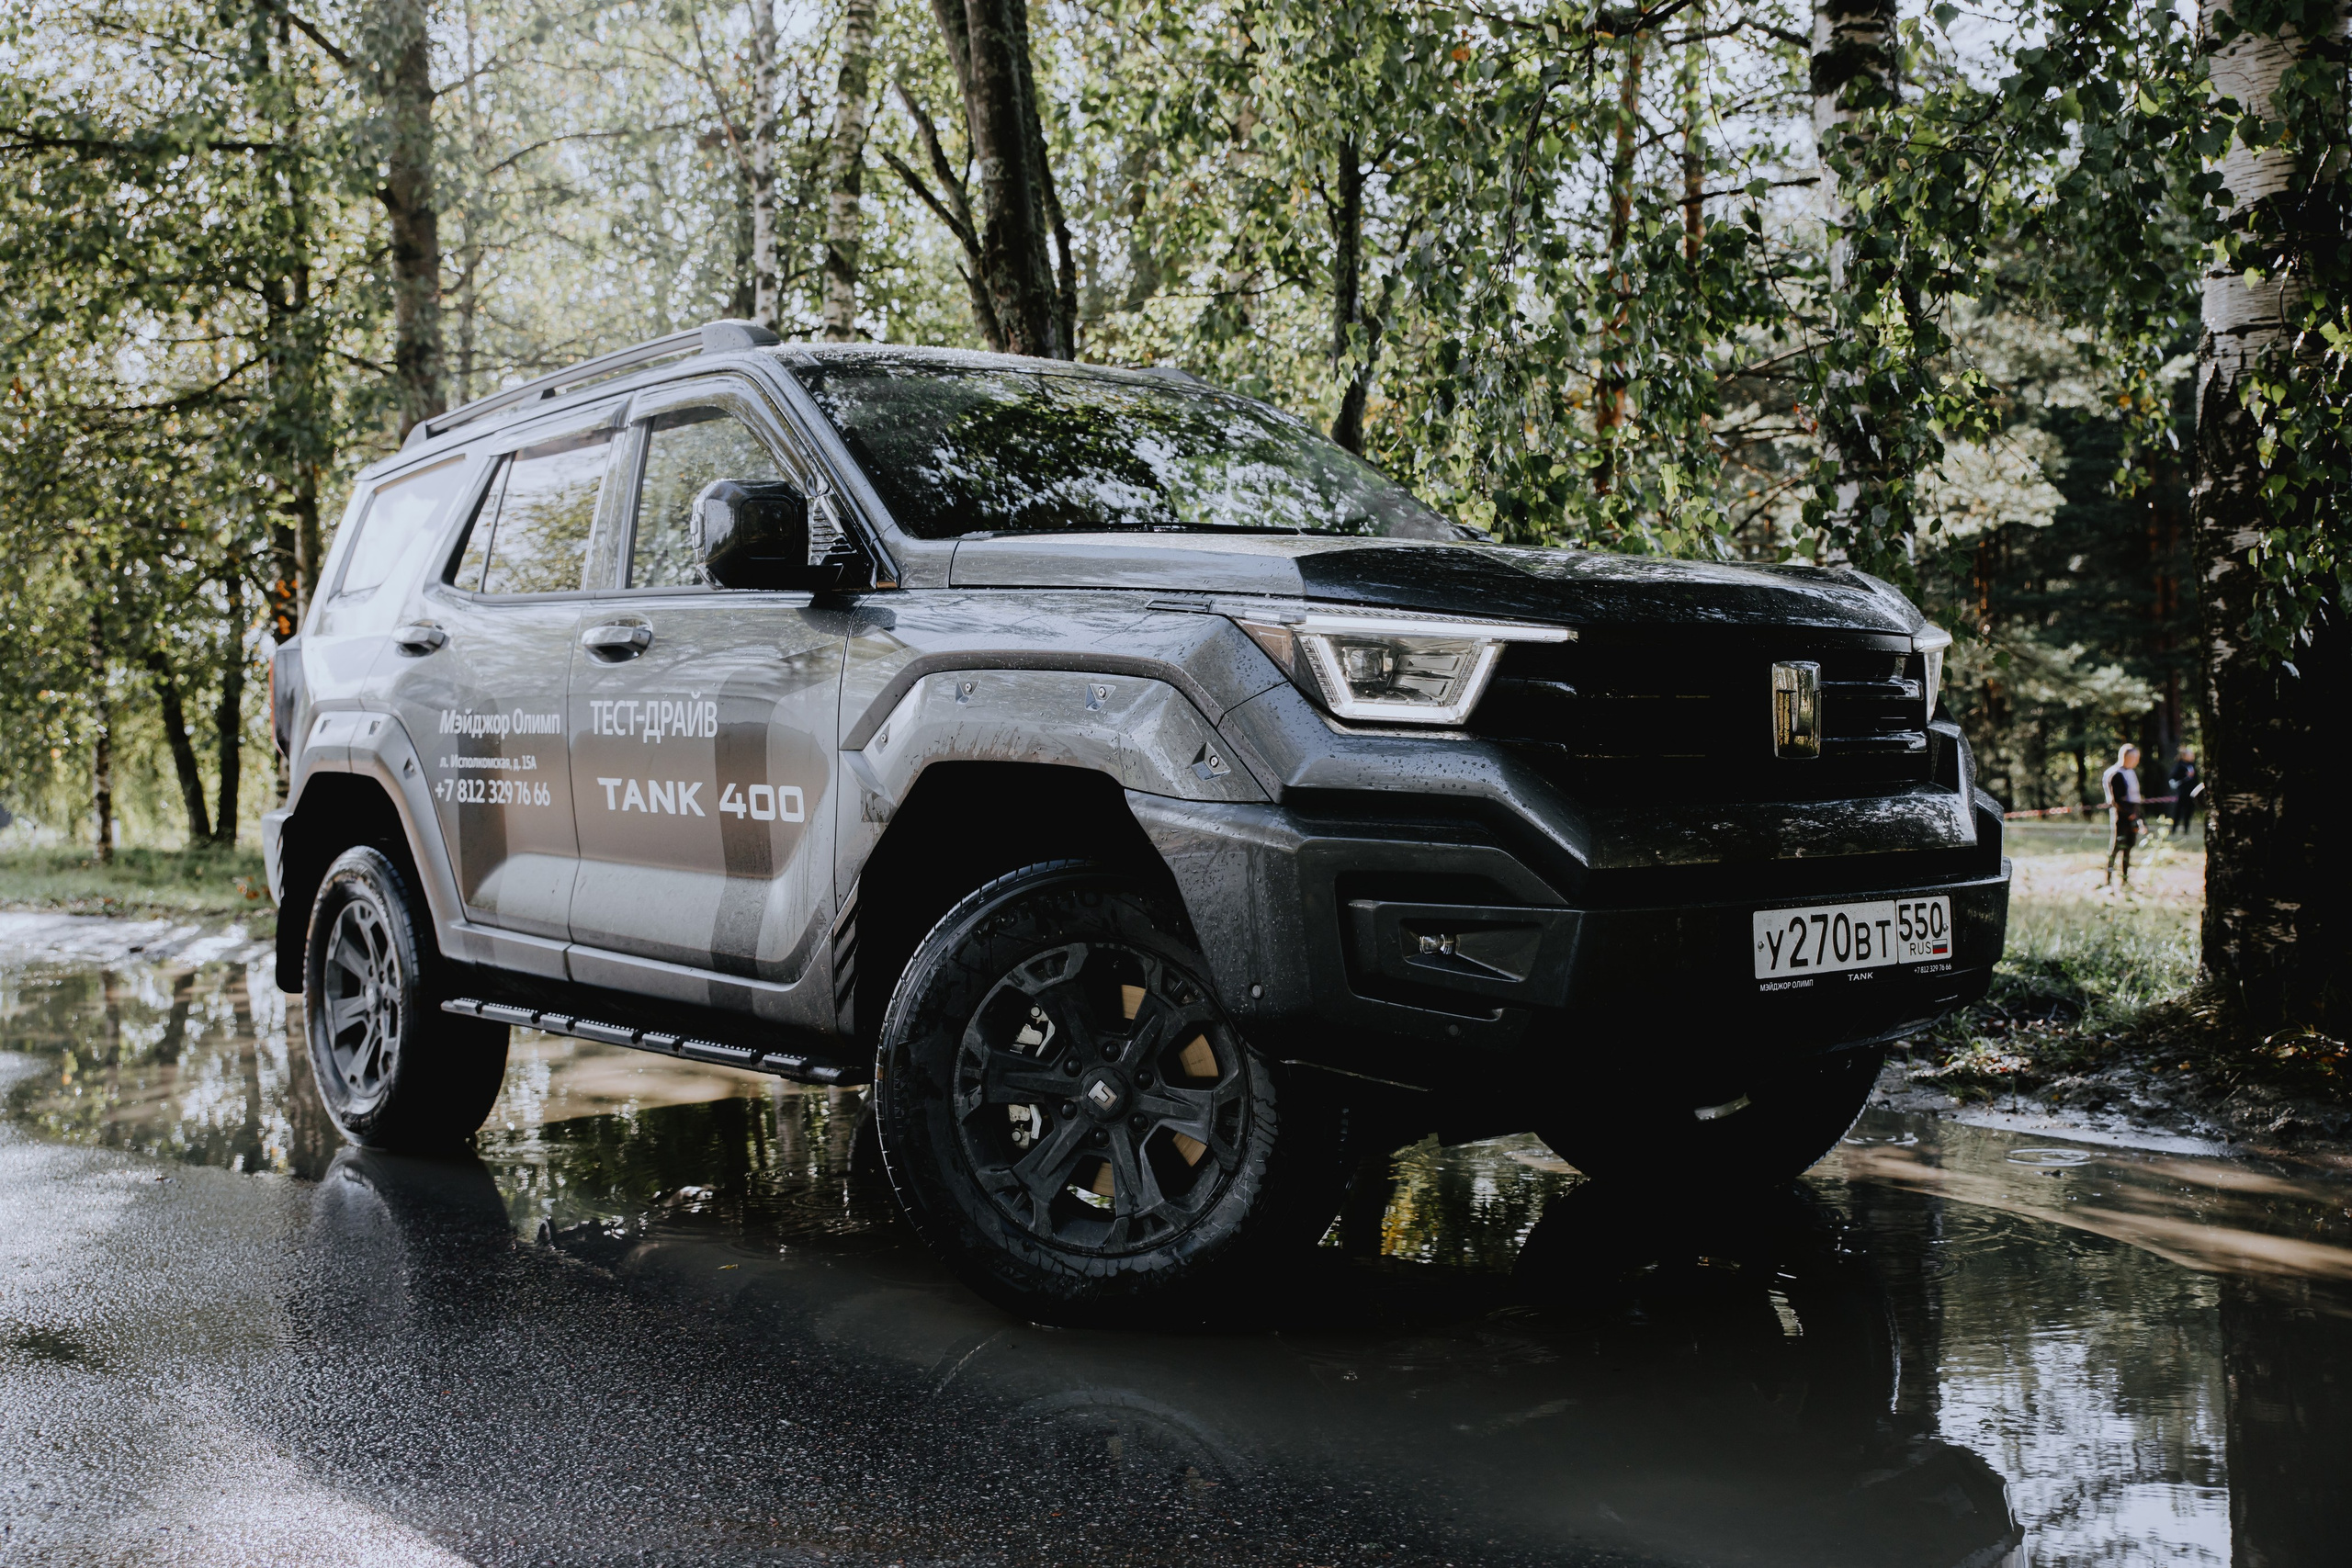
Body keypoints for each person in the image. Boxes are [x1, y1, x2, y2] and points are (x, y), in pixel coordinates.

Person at [2102, 744, 2143, 887]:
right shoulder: (2115, 774)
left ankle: (2125, 879)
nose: (2137, 760)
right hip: (2121, 816)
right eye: (2135, 757)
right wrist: (2129, 814)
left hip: (2133, 815)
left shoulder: (2131, 773)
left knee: (2129, 848)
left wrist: (2139, 818)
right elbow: (2116, 800)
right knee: (2116, 847)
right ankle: (2108, 879)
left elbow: (2136, 798)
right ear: (2126, 757)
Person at [2166, 744, 2200, 838]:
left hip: (2192, 793)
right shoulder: (2179, 765)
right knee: (2178, 811)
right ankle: (2174, 829)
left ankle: (2186, 829)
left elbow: (2196, 779)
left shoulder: (2192, 765)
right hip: (2182, 793)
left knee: (2189, 812)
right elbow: (2173, 778)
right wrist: (2185, 775)